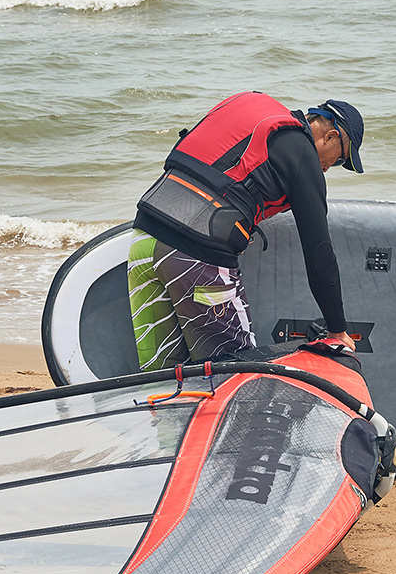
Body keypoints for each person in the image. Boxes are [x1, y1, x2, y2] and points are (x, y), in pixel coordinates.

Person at [128, 92, 365, 369]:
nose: (327, 169)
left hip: (143, 242)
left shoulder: (254, 109)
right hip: (197, 259)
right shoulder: (302, 152)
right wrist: (337, 330)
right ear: (332, 136)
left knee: (163, 380)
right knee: (237, 378)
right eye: (339, 160)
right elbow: (319, 252)